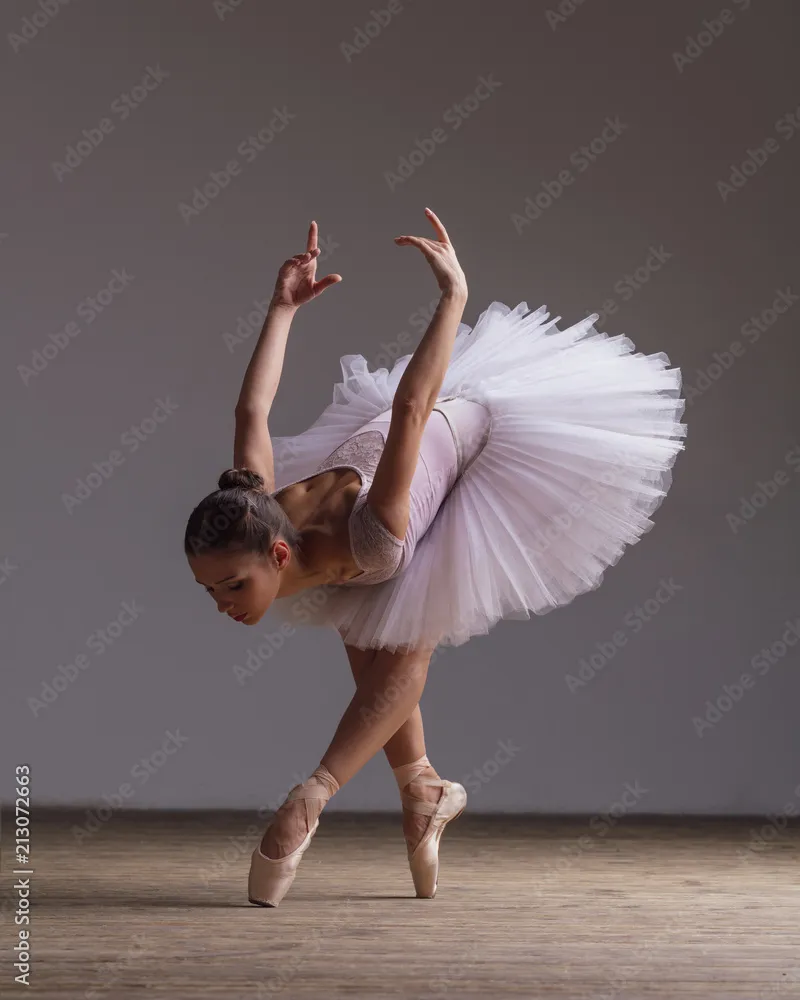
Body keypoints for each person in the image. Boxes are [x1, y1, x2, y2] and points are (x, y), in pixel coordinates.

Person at [184, 209, 686, 906]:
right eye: (211, 592)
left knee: (401, 635)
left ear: (276, 553)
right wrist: (282, 308)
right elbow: (252, 415)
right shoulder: (255, 502)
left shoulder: (373, 529)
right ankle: (423, 790)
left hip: (466, 438)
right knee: (367, 627)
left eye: (232, 585)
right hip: (385, 462)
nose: (224, 605)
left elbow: (413, 410)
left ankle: (308, 802)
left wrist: (453, 298)